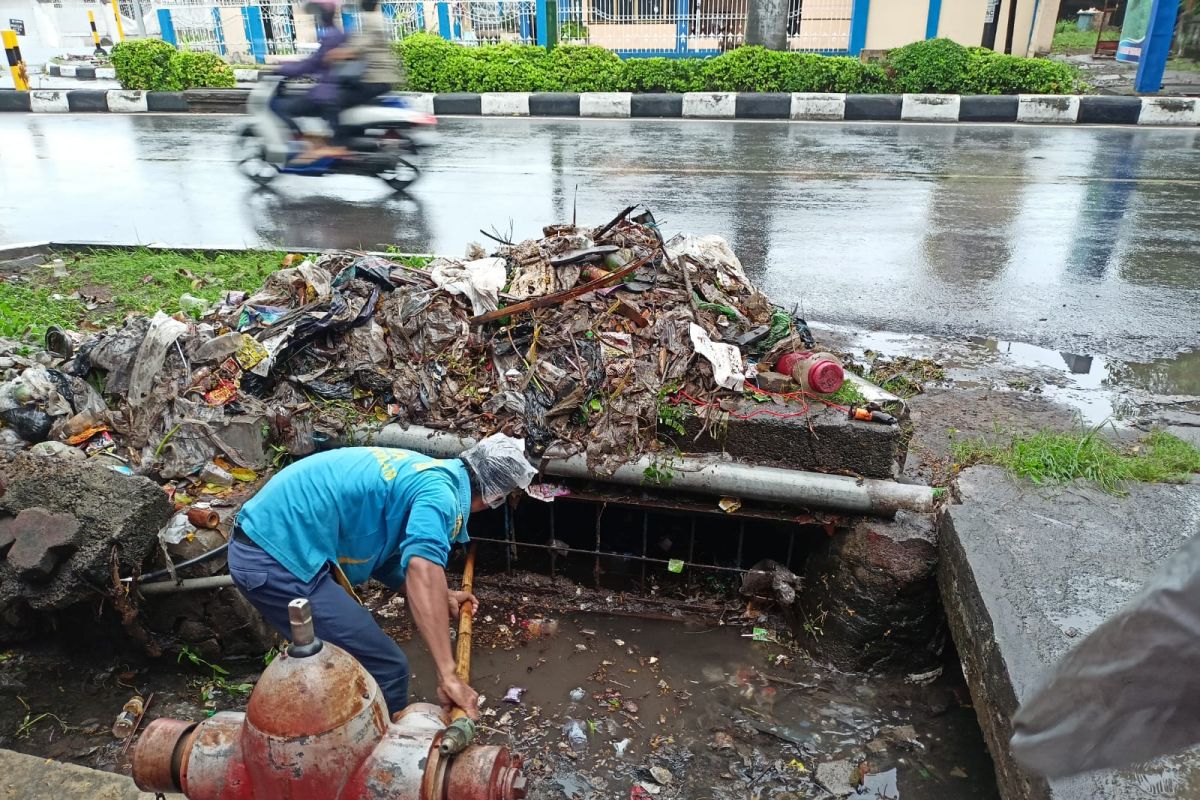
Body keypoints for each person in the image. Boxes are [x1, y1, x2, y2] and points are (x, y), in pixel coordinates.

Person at [227, 433, 537, 719]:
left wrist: (441, 595)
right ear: (494, 496)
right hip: (274, 555)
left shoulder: (429, 472)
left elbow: (383, 556)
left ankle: (333, 720)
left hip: (274, 540)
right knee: (387, 666)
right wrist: (447, 674)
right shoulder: (441, 496)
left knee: (353, 655)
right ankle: (382, 756)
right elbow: (422, 568)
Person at [320, 0, 400, 155]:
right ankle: (356, 133)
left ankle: (340, 142)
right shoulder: (376, 17)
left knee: (334, 100)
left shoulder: (371, 20)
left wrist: (333, 55)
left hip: (375, 79)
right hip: (379, 76)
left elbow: (358, 47)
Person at [271, 0, 346, 160]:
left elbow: (311, 64)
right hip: (331, 89)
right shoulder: (336, 33)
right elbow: (314, 63)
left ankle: (309, 144)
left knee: (281, 107)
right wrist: (288, 64)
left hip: (326, 93)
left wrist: (282, 69)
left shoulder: (331, 36)